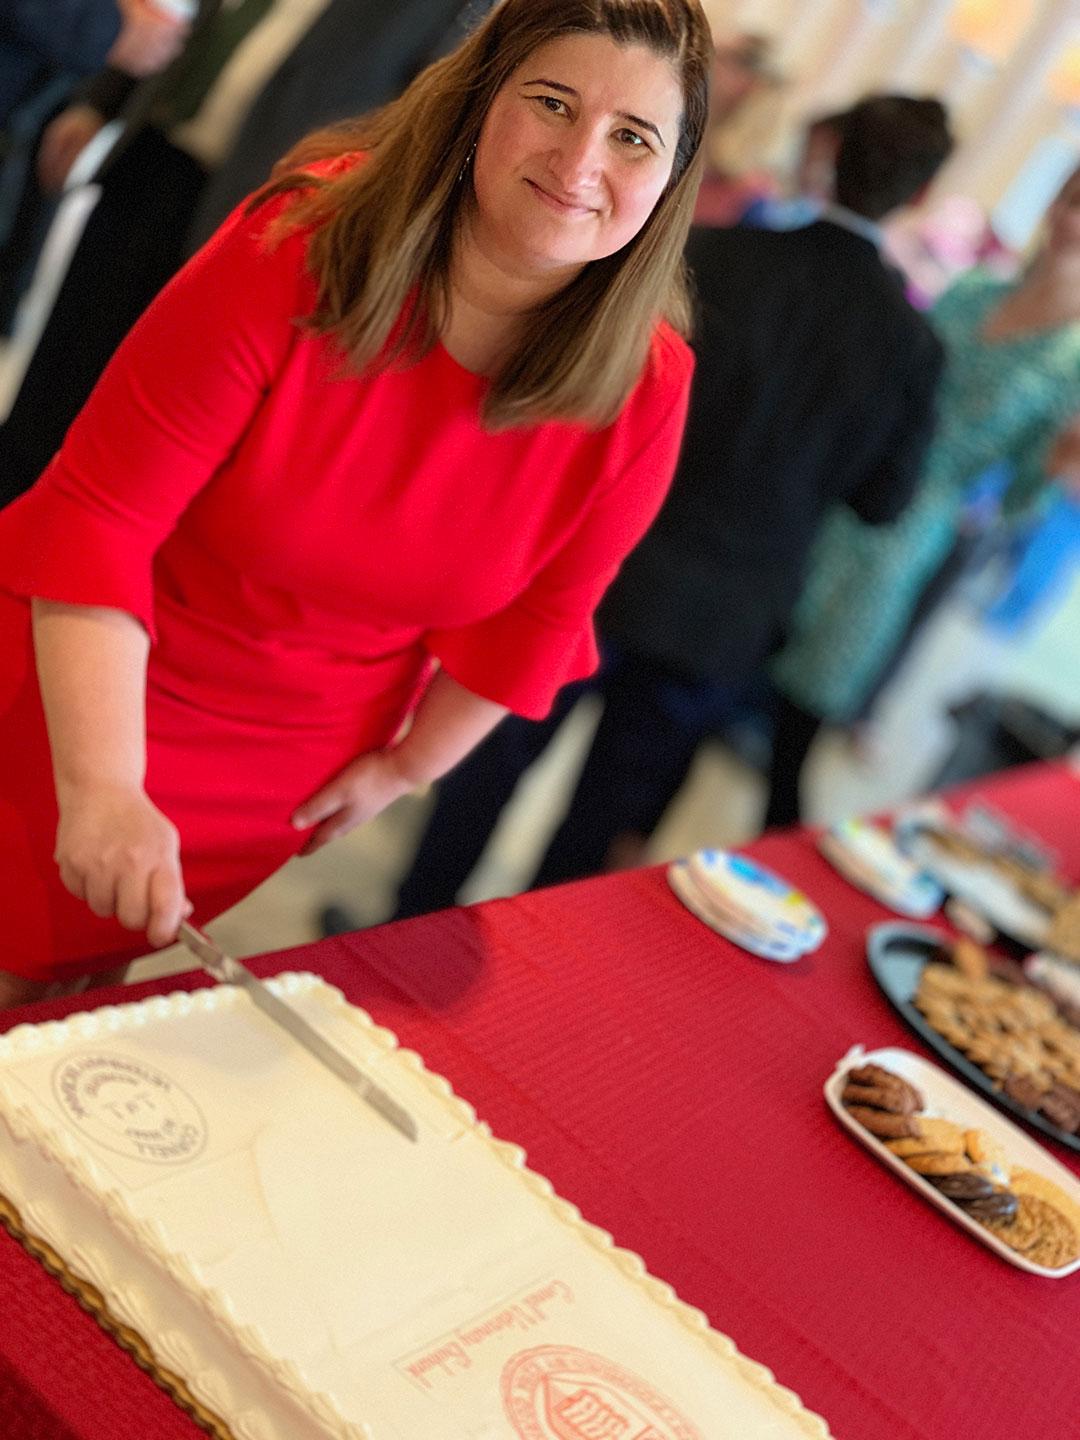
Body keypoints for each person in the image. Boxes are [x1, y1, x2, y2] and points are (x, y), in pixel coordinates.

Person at [0, 0, 712, 1004]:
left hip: (281, 771)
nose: (580, 159)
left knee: (67, 1007)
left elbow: (541, 620)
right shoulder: (302, 241)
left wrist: (403, 768)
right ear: (478, 102)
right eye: (552, 103)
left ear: (673, 179)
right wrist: (106, 785)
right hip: (83, 690)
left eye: (633, 136)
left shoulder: (648, 387)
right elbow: (97, 518)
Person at [393, 93, 953, 918]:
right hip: (728, 612)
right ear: (917, 199)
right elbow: (884, 500)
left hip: (608, 561)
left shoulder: (713, 257)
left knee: (494, 758)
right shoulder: (911, 347)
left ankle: (405, 929)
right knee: (607, 824)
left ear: (829, 156)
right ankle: (521, 983)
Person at [0, 0, 488, 508]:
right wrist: (100, 102)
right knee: (52, 384)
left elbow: (421, 125)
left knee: (147, 428)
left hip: (267, 225)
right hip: (152, 162)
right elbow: (190, 20)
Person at [767, 162, 1080, 828]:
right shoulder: (976, 290)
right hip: (844, 476)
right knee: (749, 663)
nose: (1071, 223)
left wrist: (1039, 480)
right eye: (1070, 201)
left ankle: (781, 841)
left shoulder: (1074, 359)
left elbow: (1025, 492)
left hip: (917, 520)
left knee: (813, 692)